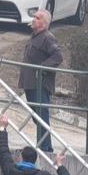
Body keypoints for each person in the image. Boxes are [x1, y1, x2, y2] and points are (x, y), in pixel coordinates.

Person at [19, 8, 63, 152]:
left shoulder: (47, 37)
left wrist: (41, 68)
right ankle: (42, 144)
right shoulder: (34, 36)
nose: (33, 19)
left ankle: (46, 148)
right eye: (34, 17)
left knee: (42, 116)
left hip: (41, 84)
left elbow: (57, 56)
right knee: (36, 117)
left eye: (37, 18)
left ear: (44, 24)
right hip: (30, 83)